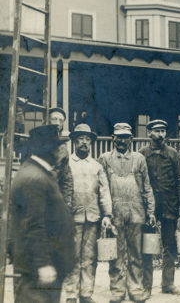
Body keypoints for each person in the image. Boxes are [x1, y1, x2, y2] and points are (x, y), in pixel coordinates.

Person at [9, 124, 76, 303]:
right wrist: (43, 264)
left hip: (45, 266)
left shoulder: (38, 172)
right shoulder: (34, 178)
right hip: (38, 270)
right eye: (59, 146)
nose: (63, 149)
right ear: (49, 149)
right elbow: (34, 225)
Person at [98, 123, 156, 303]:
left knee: (136, 252)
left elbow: (147, 187)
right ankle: (117, 289)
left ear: (131, 139)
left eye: (125, 137)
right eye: (119, 137)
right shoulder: (105, 158)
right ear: (113, 138)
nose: (122, 140)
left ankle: (136, 287)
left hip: (136, 211)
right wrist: (106, 214)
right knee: (116, 253)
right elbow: (102, 188)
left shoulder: (139, 159)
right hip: (114, 211)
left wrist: (151, 211)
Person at [63, 124, 113, 303]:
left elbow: (104, 191)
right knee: (73, 256)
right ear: (75, 141)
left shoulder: (97, 166)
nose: (84, 142)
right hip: (72, 218)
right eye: (80, 139)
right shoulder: (66, 163)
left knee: (89, 258)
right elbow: (62, 189)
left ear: (91, 142)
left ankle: (86, 294)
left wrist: (107, 214)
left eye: (87, 139)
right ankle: (71, 294)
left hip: (93, 218)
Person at [140, 119, 180, 297]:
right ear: (149, 133)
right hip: (150, 207)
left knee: (170, 245)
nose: (161, 134)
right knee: (148, 246)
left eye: (163, 131)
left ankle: (168, 284)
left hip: (169, 204)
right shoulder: (142, 154)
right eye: (157, 131)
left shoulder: (173, 154)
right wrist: (144, 207)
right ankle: (146, 286)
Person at [48, 107, 74, 208]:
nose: (57, 123)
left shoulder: (63, 148)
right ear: (47, 120)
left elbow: (66, 179)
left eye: (61, 120)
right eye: (54, 119)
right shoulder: (36, 139)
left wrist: (66, 205)